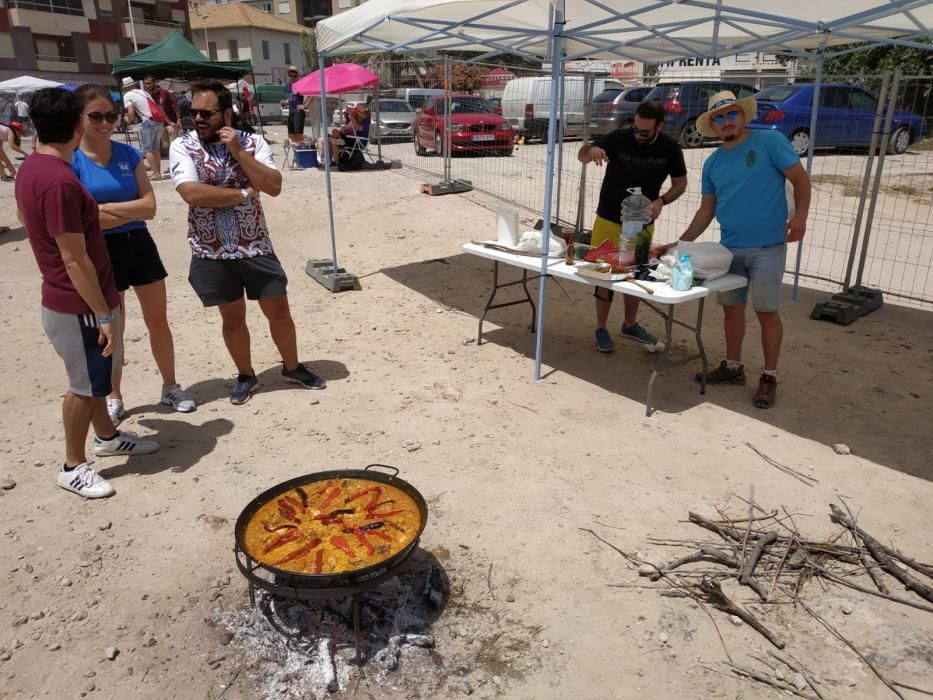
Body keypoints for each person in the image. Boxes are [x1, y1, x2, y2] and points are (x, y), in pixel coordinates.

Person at [15, 88, 159, 499]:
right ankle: (72, 465)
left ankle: (108, 437)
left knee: (97, 379)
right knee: (82, 385)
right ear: (78, 124)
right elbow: (74, 259)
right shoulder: (58, 180)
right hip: (75, 302)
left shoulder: (33, 167)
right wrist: (104, 314)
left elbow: (30, 221)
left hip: (73, 298)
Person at [169, 80, 326, 404]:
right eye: (193, 112)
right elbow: (191, 193)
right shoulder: (182, 145)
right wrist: (242, 193)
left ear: (226, 114)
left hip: (254, 244)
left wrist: (238, 152)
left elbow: (273, 185)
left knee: (279, 310)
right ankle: (245, 375)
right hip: (210, 248)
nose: (198, 119)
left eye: (206, 113)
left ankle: (292, 366)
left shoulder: (253, 143)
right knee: (232, 318)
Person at [659, 90, 811, 409]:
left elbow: (800, 180)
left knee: (766, 312)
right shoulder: (713, 163)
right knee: (731, 309)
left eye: (731, 114)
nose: (726, 121)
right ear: (712, 125)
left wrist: (800, 217)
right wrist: (680, 243)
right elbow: (706, 211)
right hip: (730, 250)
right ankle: (733, 367)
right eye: (719, 117)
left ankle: (769, 376)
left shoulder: (769, 142)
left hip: (768, 247)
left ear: (742, 115)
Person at [73, 83, 196, 425]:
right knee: (115, 326)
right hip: (100, 249)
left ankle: (170, 386)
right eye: (96, 116)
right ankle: (115, 395)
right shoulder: (73, 161)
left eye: (111, 115)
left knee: (159, 320)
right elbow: (82, 216)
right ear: (79, 117)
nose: (105, 123)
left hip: (139, 243)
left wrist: (105, 208)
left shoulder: (128, 154)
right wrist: (124, 210)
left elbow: (150, 207)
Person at [577, 100, 688, 353]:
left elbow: (681, 184)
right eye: (635, 128)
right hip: (608, 217)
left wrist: (662, 201)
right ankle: (601, 328)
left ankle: (629, 324)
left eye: (645, 132)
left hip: (641, 222)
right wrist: (592, 150)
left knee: (635, 272)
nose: (638, 135)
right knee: (603, 273)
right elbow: (582, 155)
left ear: (659, 126)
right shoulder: (620, 137)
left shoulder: (670, 149)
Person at [122, 78, 166, 180]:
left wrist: (126, 119)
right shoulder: (144, 92)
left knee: (147, 149)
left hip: (147, 121)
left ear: (126, 87)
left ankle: (156, 174)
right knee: (155, 148)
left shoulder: (128, 95)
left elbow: (131, 113)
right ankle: (158, 172)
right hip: (158, 120)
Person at [143, 75, 181, 151]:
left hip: (171, 122)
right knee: (166, 146)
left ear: (154, 82)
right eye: (145, 84)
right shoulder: (148, 95)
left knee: (175, 146)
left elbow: (175, 106)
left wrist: (179, 119)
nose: (147, 85)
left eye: (149, 83)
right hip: (160, 125)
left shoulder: (165, 92)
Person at [281, 66, 306, 145]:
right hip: (291, 112)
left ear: (298, 75)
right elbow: (290, 98)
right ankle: (297, 153)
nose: (292, 77)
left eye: (294, 76)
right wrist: (285, 102)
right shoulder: (287, 86)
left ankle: (302, 152)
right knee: (291, 134)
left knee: (298, 134)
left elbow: (312, 95)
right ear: (288, 75)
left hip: (298, 112)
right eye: (291, 76)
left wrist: (305, 105)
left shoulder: (301, 84)